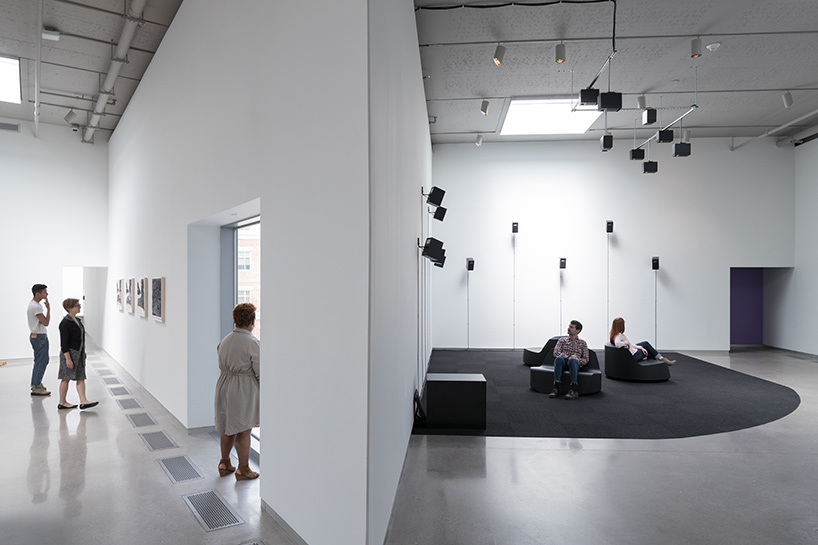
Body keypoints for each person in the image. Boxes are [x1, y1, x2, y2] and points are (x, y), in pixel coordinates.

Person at [214, 303, 260, 481]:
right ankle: (243, 468)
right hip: (242, 388)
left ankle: (224, 463)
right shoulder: (252, 343)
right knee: (243, 429)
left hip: (224, 384)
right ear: (252, 321)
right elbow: (260, 371)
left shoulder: (225, 340)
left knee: (227, 427)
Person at [57, 299, 98, 410]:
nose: (79, 307)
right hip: (69, 354)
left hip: (78, 353)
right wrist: (68, 359)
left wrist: (82, 351)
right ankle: (62, 402)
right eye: (77, 305)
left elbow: (80, 338)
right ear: (69, 308)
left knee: (80, 377)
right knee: (66, 378)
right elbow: (64, 343)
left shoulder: (77, 320)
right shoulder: (65, 323)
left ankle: (83, 401)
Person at [609, 317, 676, 366]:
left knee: (645, 344)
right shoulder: (619, 336)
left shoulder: (614, 334)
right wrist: (626, 343)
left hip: (632, 352)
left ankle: (659, 358)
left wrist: (640, 347)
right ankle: (661, 359)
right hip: (633, 356)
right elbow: (618, 344)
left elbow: (630, 344)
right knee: (648, 350)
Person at [549, 320, 589, 400]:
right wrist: (568, 356)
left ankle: (573, 390)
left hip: (575, 363)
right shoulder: (562, 340)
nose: (568, 328)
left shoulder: (582, 343)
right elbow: (556, 353)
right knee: (559, 359)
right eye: (569, 326)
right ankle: (556, 388)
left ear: (578, 331)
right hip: (564, 362)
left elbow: (586, 359)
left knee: (573, 361)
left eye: (571, 327)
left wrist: (577, 359)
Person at [28, 284, 52, 396]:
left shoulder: (33, 305)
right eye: (45, 292)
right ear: (37, 294)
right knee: (41, 361)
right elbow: (46, 322)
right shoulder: (36, 307)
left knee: (43, 360)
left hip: (37, 336)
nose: (47, 294)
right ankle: (36, 386)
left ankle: (37, 383)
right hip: (39, 337)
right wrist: (49, 309)